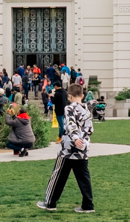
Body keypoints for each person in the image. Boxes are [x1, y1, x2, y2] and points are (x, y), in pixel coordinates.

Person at [38, 82, 94, 213]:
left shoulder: (69, 108)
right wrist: (82, 140)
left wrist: (75, 139)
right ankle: (88, 205)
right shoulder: (87, 110)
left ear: (69, 96)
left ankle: (50, 203)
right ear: (82, 95)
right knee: (84, 177)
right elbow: (90, 129)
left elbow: (70, 124)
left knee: (58, 175)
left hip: (68, 148)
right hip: (83, 148)